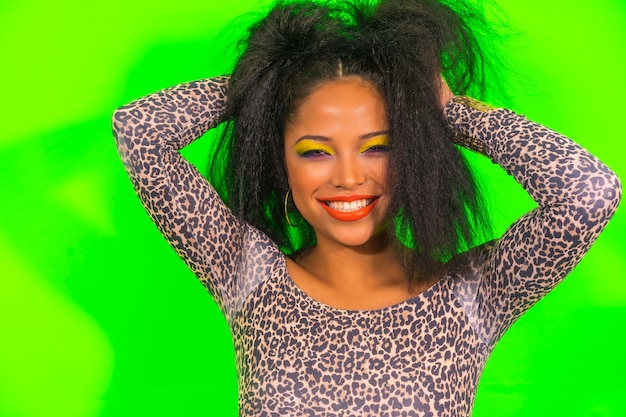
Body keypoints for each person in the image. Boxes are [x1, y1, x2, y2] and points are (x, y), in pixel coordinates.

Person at [112, 0, 621, 415]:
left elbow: (589, 194)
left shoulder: (472, 295)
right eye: (315, 151)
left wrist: (448, 111)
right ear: (281, 162)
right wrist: (261, 84)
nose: (349, 176)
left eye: (378, 145)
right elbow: (139, 133)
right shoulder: (247, 273)